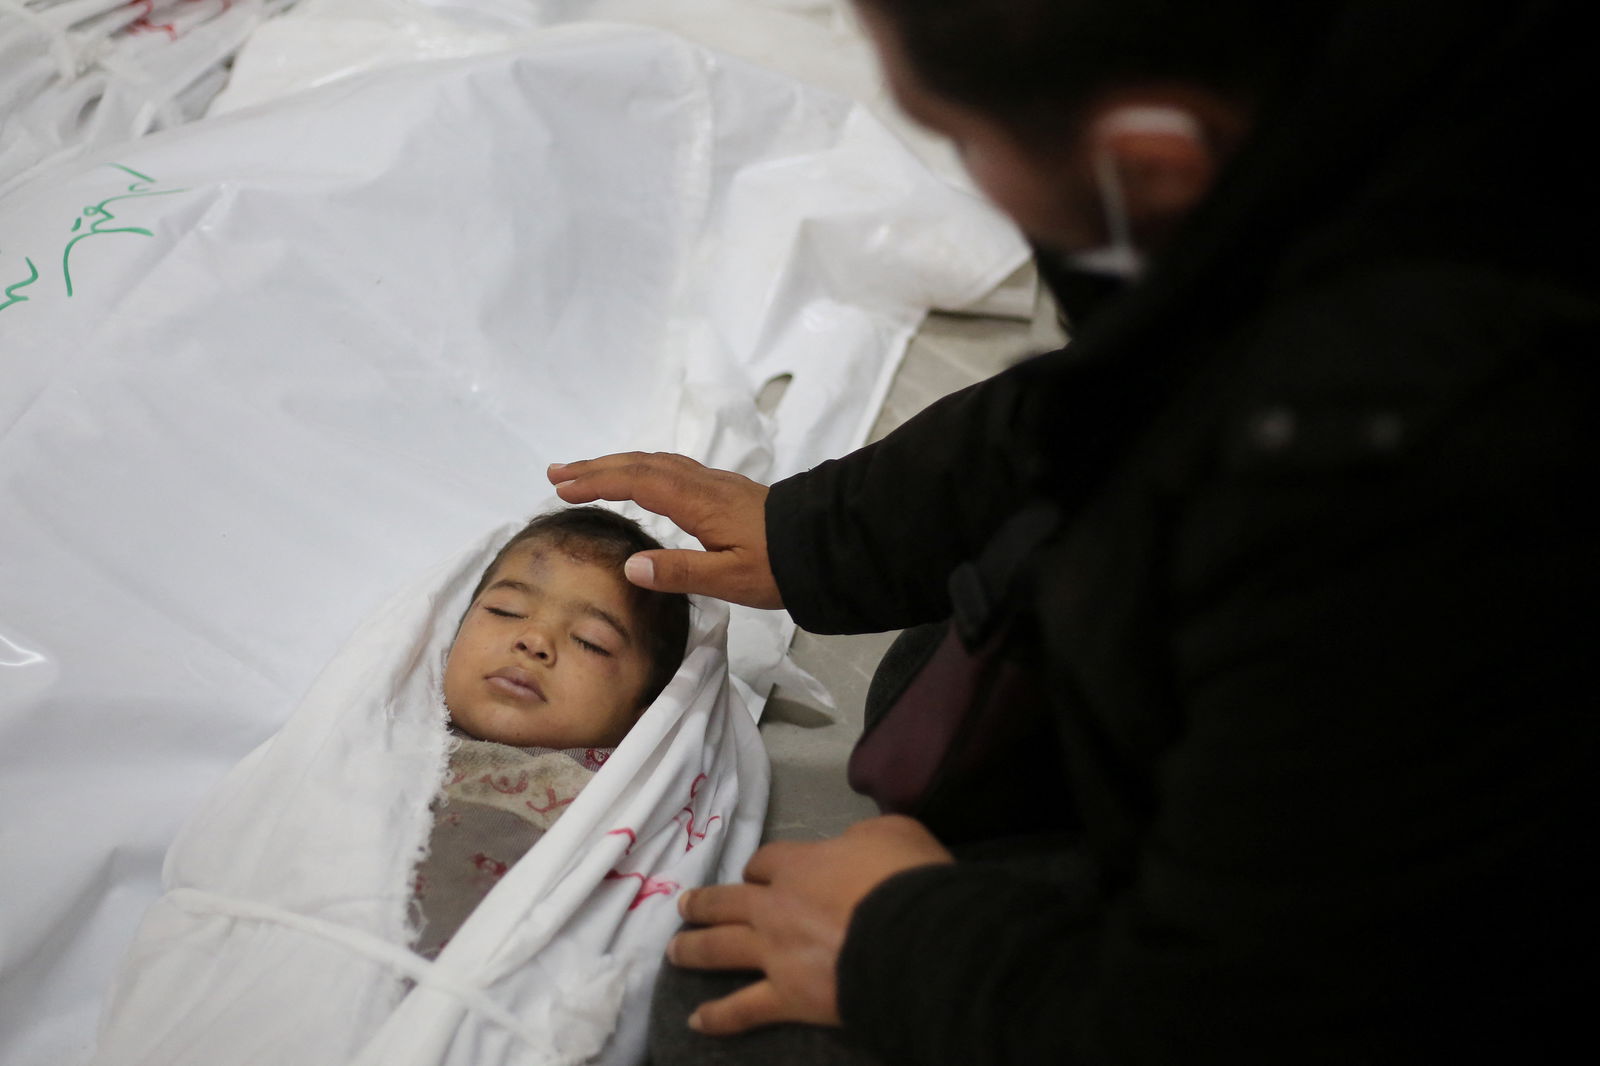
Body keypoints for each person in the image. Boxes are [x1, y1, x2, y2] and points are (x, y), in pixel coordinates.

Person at [545, 0, 1599, 1062]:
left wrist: (901, 949)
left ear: (1146, 163)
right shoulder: (1370, 110)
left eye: (962, 139)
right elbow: (1119, 379)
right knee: (955, 662)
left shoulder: (1396, 493)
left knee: (719, 1011)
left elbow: (1254, 1011)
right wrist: (817, 531)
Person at [414, 506, 691, 958]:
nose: (535, 641)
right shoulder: (388, 735)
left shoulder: (617, 802)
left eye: (590, 641)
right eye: (507, 611)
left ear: (645, 711)